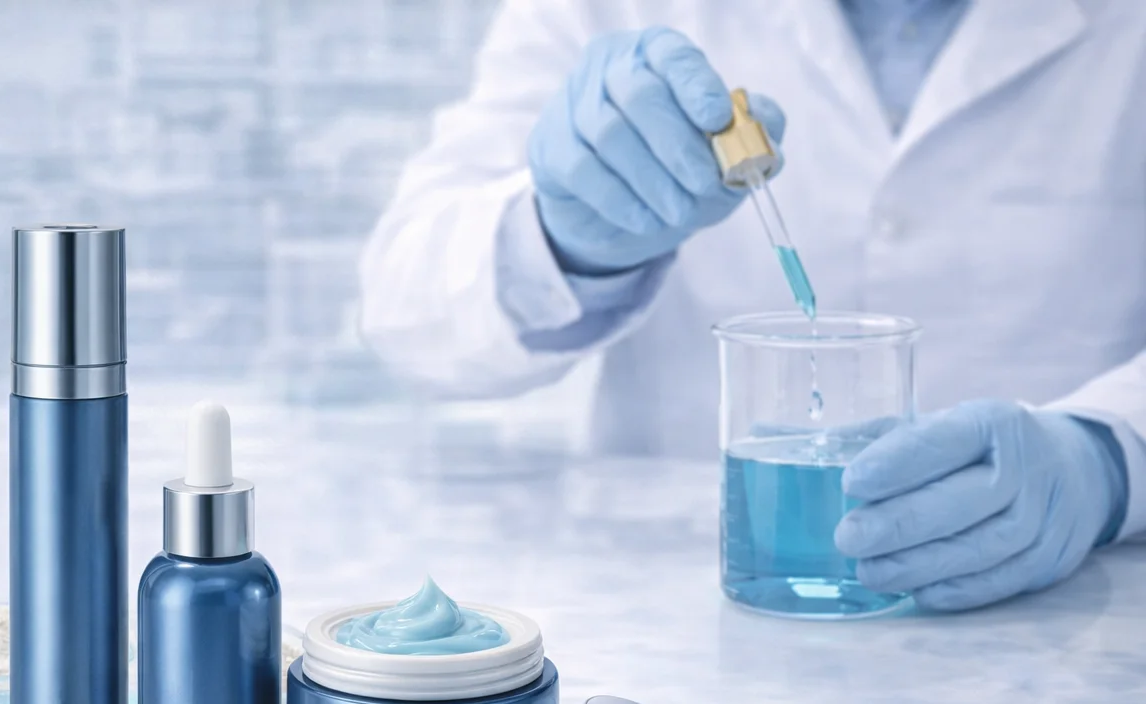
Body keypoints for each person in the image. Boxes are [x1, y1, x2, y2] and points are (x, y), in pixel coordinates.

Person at [359, 0, 1146, 612]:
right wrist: (566, 234)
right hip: (688, 629)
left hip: (1063, 631)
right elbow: (405, 305)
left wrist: (1106, 457)